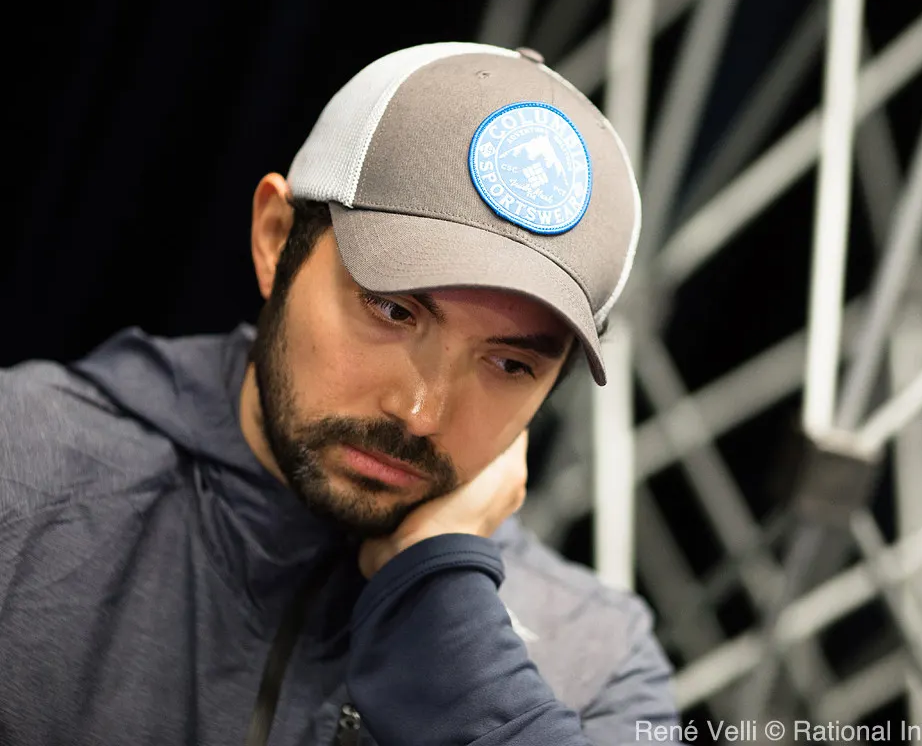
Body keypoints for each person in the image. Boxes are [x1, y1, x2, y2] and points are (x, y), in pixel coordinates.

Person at [0, 42, 679, 745]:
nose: (419, 414)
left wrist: (443, 617)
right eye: (391, 310)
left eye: (509, 364)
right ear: (275, 239)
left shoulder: (599, 658)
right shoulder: (21, 472)